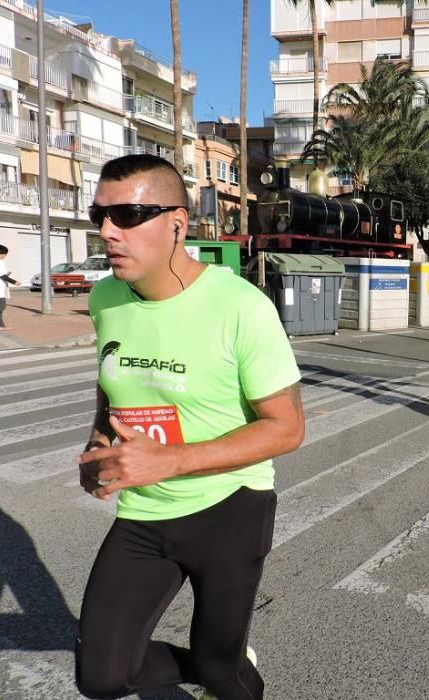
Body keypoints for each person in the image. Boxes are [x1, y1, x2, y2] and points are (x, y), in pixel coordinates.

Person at [74, 154, 305, 700]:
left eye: (128, 214)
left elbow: (287, 428)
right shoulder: (106, 298)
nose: (108, 231)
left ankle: (219, 664)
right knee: (102, 676)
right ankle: (204, 662)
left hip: (229, 509)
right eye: (99, 216)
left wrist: (169, 459)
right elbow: (111, 379)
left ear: (178, 223)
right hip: (145, 513)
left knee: (222, 673)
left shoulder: (240, 307)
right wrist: (99, 439)